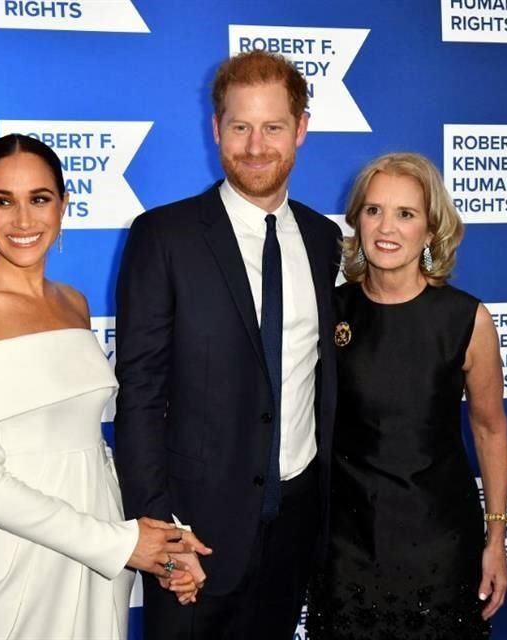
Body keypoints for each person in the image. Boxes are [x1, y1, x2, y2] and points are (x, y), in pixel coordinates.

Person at [0, 134, 209, 640]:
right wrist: (120, 545)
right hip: (19, 560)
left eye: (39, 198)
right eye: (2, 202)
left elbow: (92, 450)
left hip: (101, 550)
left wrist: (162, 546)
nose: (23, 220)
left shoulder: (73, 304)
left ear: (63, 205)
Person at [114, 50, 342, 639]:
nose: (256, 145)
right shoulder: (163, 236)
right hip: (195, 534)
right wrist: (161, 534)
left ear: (301, 129)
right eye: (239, 126)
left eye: (273, 127)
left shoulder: (323, 239)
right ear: (216, 129)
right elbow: (139, 392)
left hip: (295, 526)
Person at [306, 152, 507, 639]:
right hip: (345, 545)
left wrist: (497, 538)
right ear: (355, 219)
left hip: (439, 543)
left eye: (406, 214)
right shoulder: (327, 310)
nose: (386, 228)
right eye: (374, 210)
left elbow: (490, 428)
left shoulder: (465, 319)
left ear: (431, 228)